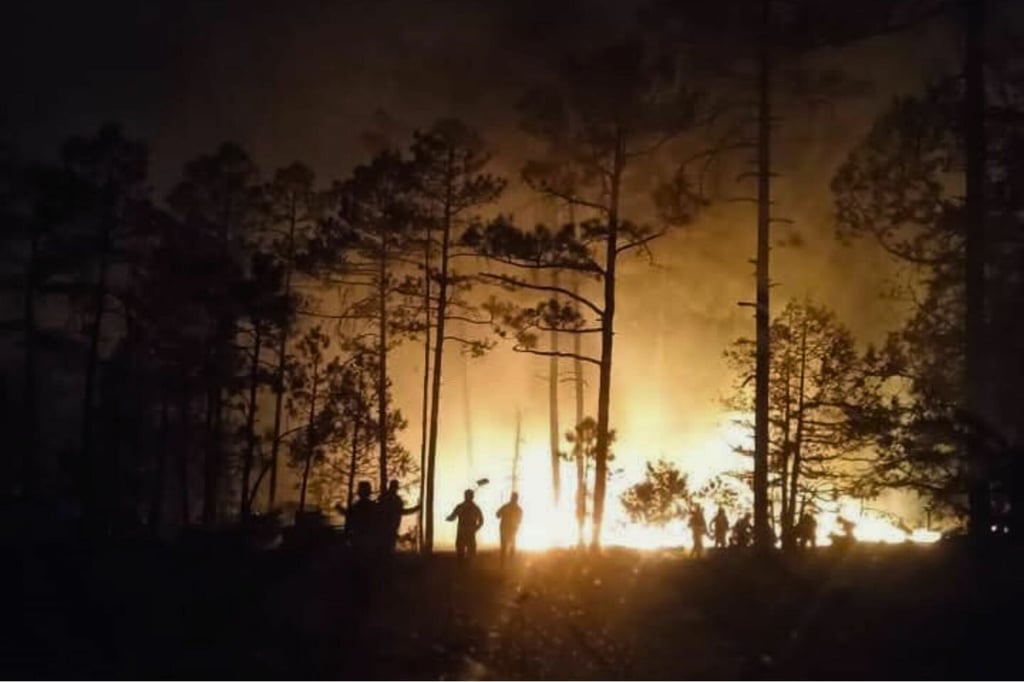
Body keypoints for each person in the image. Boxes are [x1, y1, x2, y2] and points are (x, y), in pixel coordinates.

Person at [378, 479, 420, 553]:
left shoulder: (388, 498)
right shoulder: (391, 499)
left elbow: (401, 512)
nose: (395, 489)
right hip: (386, 529)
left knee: (387, 549)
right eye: (394, 487)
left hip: (390, 529)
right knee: (386, 549)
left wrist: (415, 509)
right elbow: (401, 511)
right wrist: (415, 509)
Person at [447, 489, 484, 562]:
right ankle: (466, 569)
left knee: (466, 553)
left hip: (465, 532)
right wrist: (476, 528)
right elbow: (481, 521)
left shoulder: (463, 507)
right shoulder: (474, 508)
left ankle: (465, 569)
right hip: (466, 532)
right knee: (465, 553)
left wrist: (476, 528)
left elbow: (453, 516)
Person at [495, 492, 523, 568]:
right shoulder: (518, 509)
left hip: (507, 531)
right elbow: (497, 515)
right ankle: (508, 565)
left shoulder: (507, 507)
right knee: (509, 549)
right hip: (509, 531)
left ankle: (505, 565)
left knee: (506, 549)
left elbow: (497, 515)